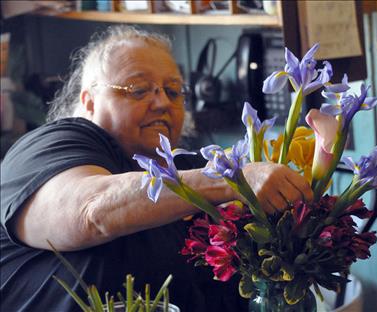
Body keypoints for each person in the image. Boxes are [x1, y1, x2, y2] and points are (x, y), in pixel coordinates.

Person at [0, 25, 313, 312]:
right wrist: (234, 179)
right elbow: (90, 213)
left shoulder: (192, 168)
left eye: (173, 90)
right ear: (90, 100)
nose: (163, 102)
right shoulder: (51, 146)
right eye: (138, 89)